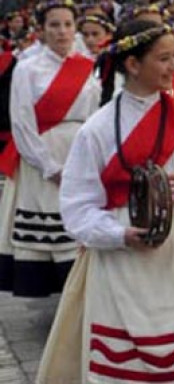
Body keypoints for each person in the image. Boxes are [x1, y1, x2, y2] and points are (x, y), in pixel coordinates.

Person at [46, 19, 174, 382]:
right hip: (125, 261)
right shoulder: (98, 128)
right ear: (133, 64)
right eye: (164, 58)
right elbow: (77, 207)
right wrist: (119, 234)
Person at [0, 0, 100, 298]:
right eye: (54, 25)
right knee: (51, 227)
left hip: (79, 151)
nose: (62, 32)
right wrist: (49, 166)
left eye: (68, 25)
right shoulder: (27, 69)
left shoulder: (87, 67)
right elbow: (22, 123)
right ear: (41, 30)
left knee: (79, 221)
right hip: (43, 156)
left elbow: (95, 117)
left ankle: (82, 293)